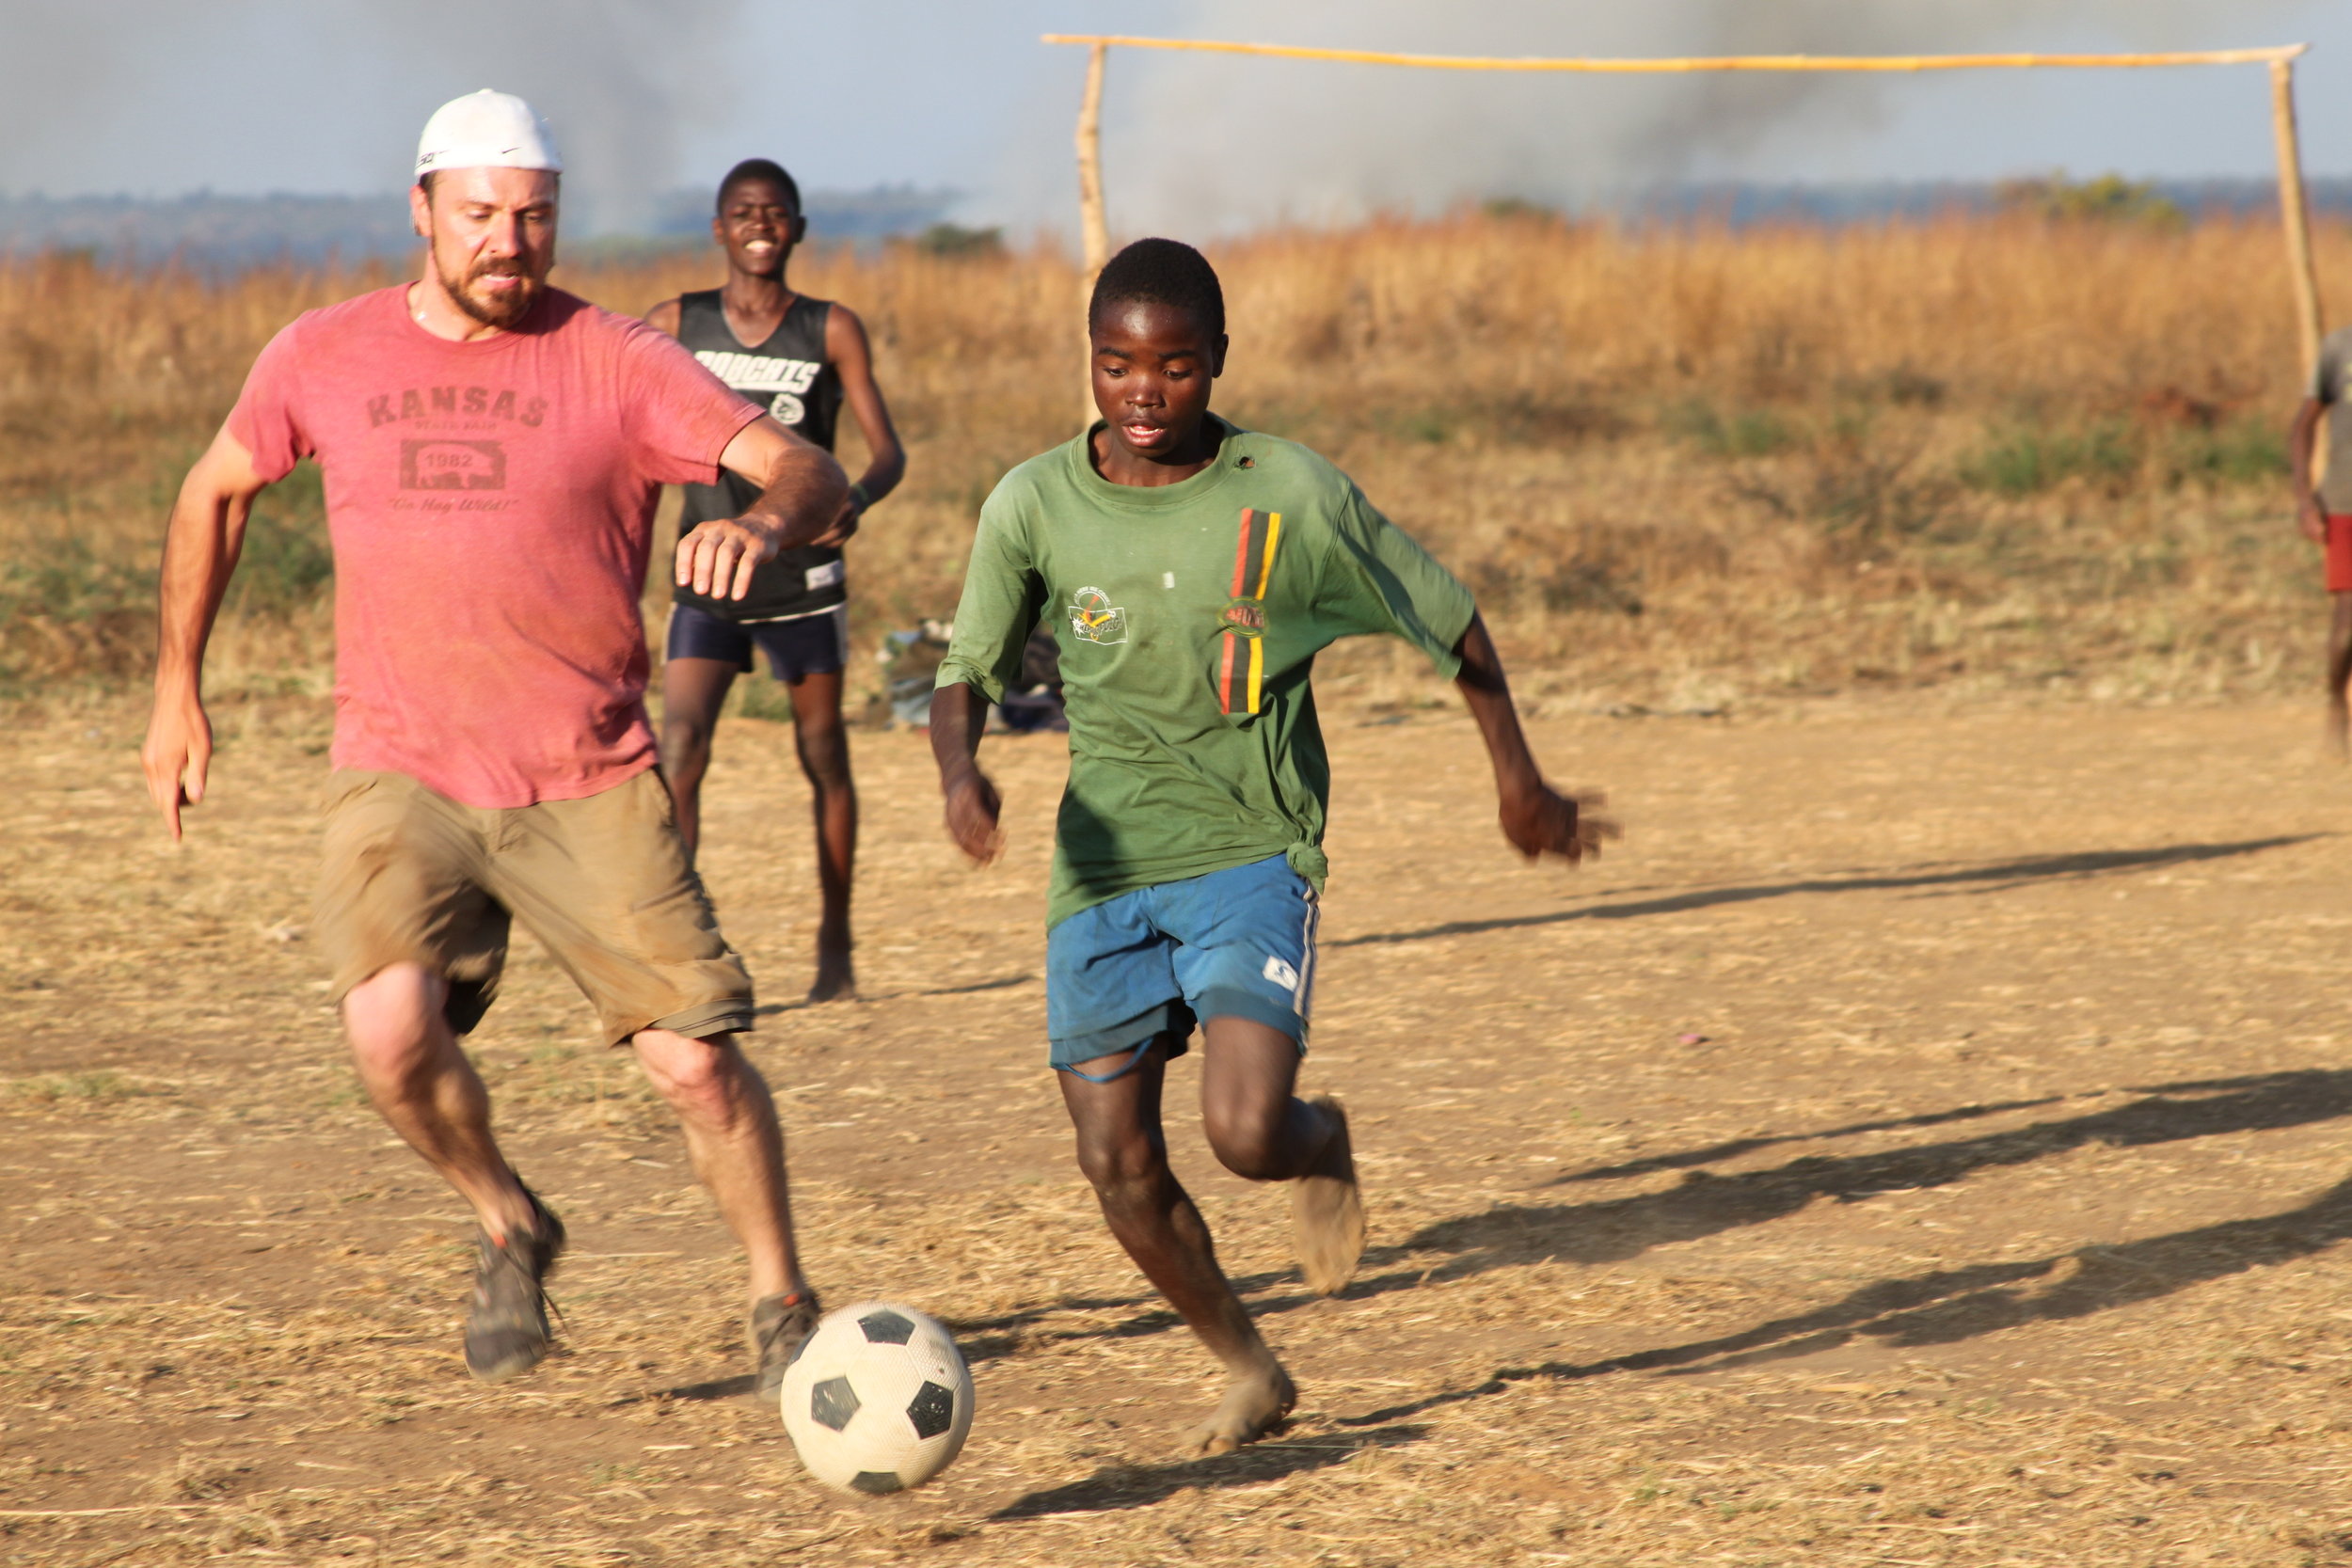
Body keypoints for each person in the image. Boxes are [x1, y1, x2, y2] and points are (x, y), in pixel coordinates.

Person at [139, 91, 851, 1391]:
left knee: (695, 1060)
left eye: (534, 217)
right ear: (421, 211)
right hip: (399, 762)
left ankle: (781, 1296)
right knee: (389, 1036)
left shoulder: (618, 358)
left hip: (584, 771)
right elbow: (215, 491)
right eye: (479, 216)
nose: (509, 244)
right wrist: (177, 686)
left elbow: (808, 468)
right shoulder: (322, 352)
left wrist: (759, 525)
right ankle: (509, 1217)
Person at [927, 238, 1613, 1454]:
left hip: (1252, 848)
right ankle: (1250, 1364)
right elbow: (964, 669)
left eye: (1177, 366)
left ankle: (1321, 1138)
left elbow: (1447, 616)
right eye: (1118, 363)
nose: (1146, 391)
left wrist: (1522, 779)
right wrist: (958, 767)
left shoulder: (1284, 491)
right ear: (1089, 363)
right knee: (1116, 1162)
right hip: (1102, 872)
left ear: (1218, 364)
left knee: (1244, 1133)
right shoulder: (1032, 500)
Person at [648, 158, 904, 1003]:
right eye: (742, 211)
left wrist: (854, 500)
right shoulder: (673, 324)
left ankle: (836, 944)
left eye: (776, 210)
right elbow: (628, 437)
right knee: (680, 746)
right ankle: (684, 953)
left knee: (822, 753)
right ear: (718, 229)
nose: (760, 222)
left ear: (797, 228)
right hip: (707, 572)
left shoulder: (830, 329)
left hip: (804, 578)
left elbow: (886, 451)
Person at [2290, 329, 2352, 754]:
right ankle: (2336, 702)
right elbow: (2304, 422)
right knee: (2348, 622)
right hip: (2345, 502)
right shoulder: (2340, 347)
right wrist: (2304, 497)